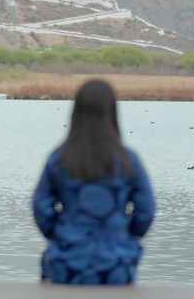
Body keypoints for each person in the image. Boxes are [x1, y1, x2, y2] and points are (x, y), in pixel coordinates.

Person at [32, 79, 156, 285]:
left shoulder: (59, 158)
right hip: (117, 265)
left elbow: (41, 207)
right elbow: (146, 211)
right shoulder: (127, 159)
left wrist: (59, 235)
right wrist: (125, 236)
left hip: (65, 265)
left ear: (75, 113)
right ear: (112, 113)